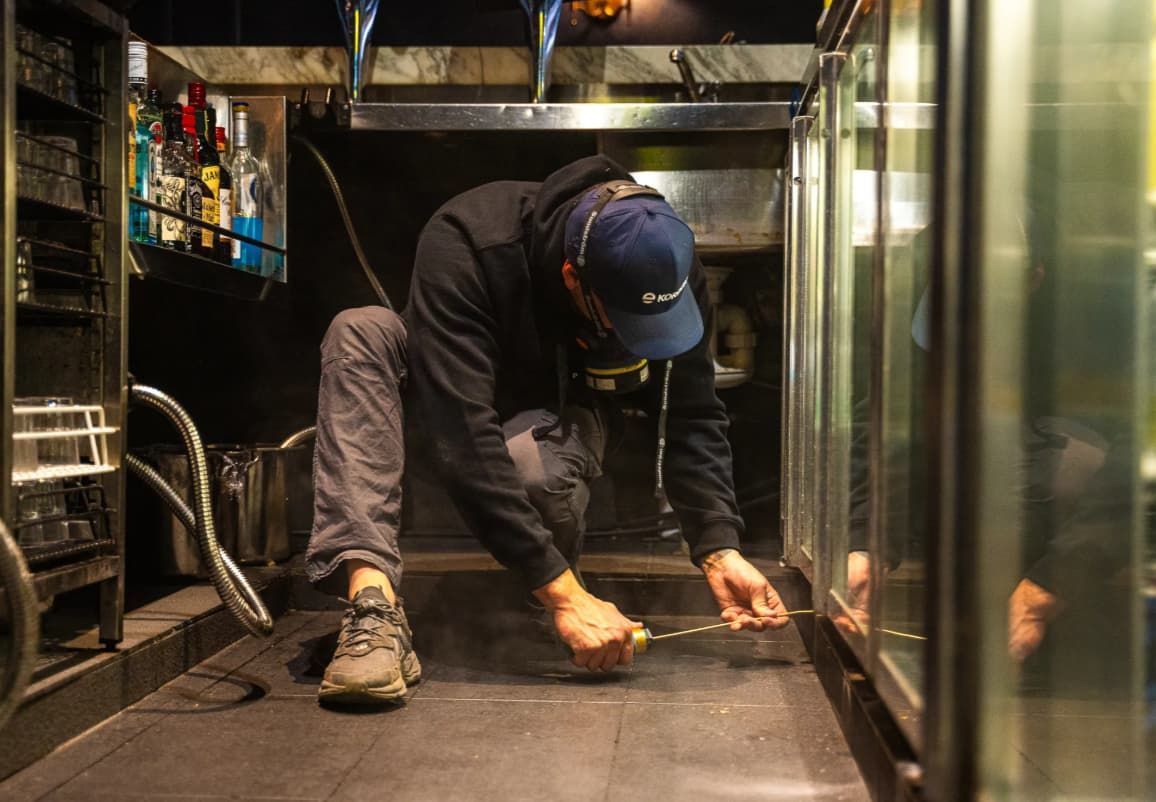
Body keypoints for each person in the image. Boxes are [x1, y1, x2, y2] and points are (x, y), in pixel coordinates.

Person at [305, 155, 791, 704]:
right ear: (571, 277)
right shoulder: (468, 239)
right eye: (620, 322)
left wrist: (718, 547)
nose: (637, 339)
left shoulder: (668, 266)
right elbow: (460, 433)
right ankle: (372, 610)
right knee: (359, 331)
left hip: (552, 431)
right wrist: (568, 595)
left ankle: (536, 602)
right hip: (442, 419)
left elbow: (693, 413)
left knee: (535, 466)